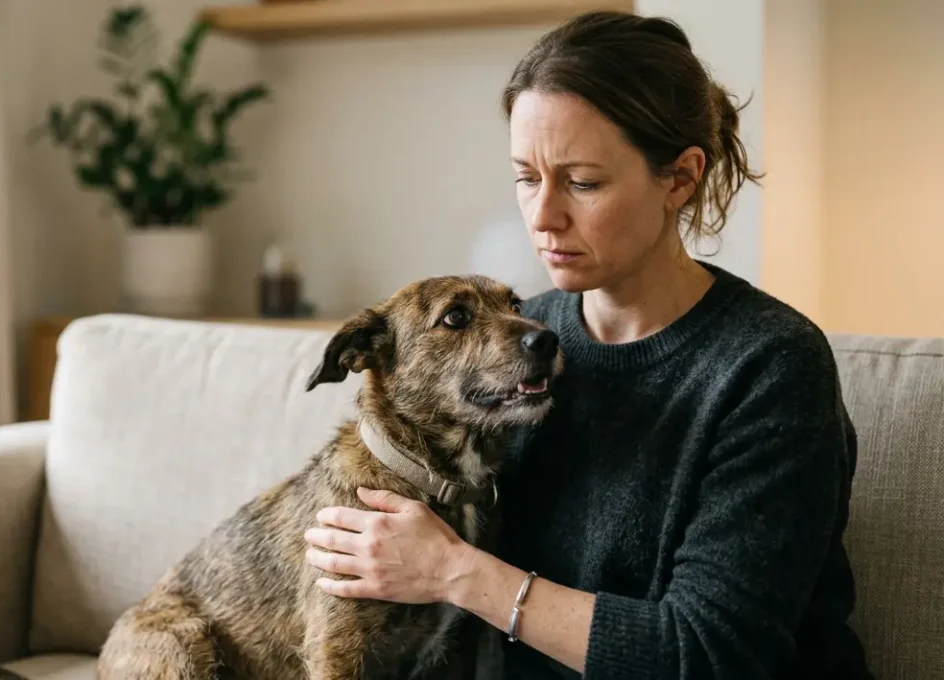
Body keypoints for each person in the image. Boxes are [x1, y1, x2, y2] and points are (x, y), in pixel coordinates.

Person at [301, 10, 874, 680]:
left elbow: (711, 655)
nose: (542, 216)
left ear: (680, 179)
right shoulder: (522, 343)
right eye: (526, 177)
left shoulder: (769, 366)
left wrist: (457, 574)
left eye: (582, 182)